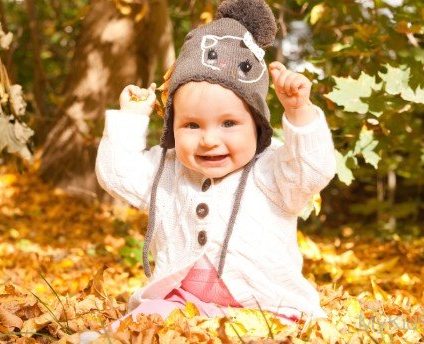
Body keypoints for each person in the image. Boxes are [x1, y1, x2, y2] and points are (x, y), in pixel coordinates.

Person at [85, 0, 336, 339]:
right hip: (182, 301)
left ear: (257, 125)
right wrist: (130, 119)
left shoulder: (272, 170)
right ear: (172, 127)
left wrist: (298, 113)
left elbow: (312, 170)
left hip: (268, 307)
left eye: (229, 123)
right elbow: (118, 174)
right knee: (141, 326)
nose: (208, 140)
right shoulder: (169, 171)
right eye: (191, 125)